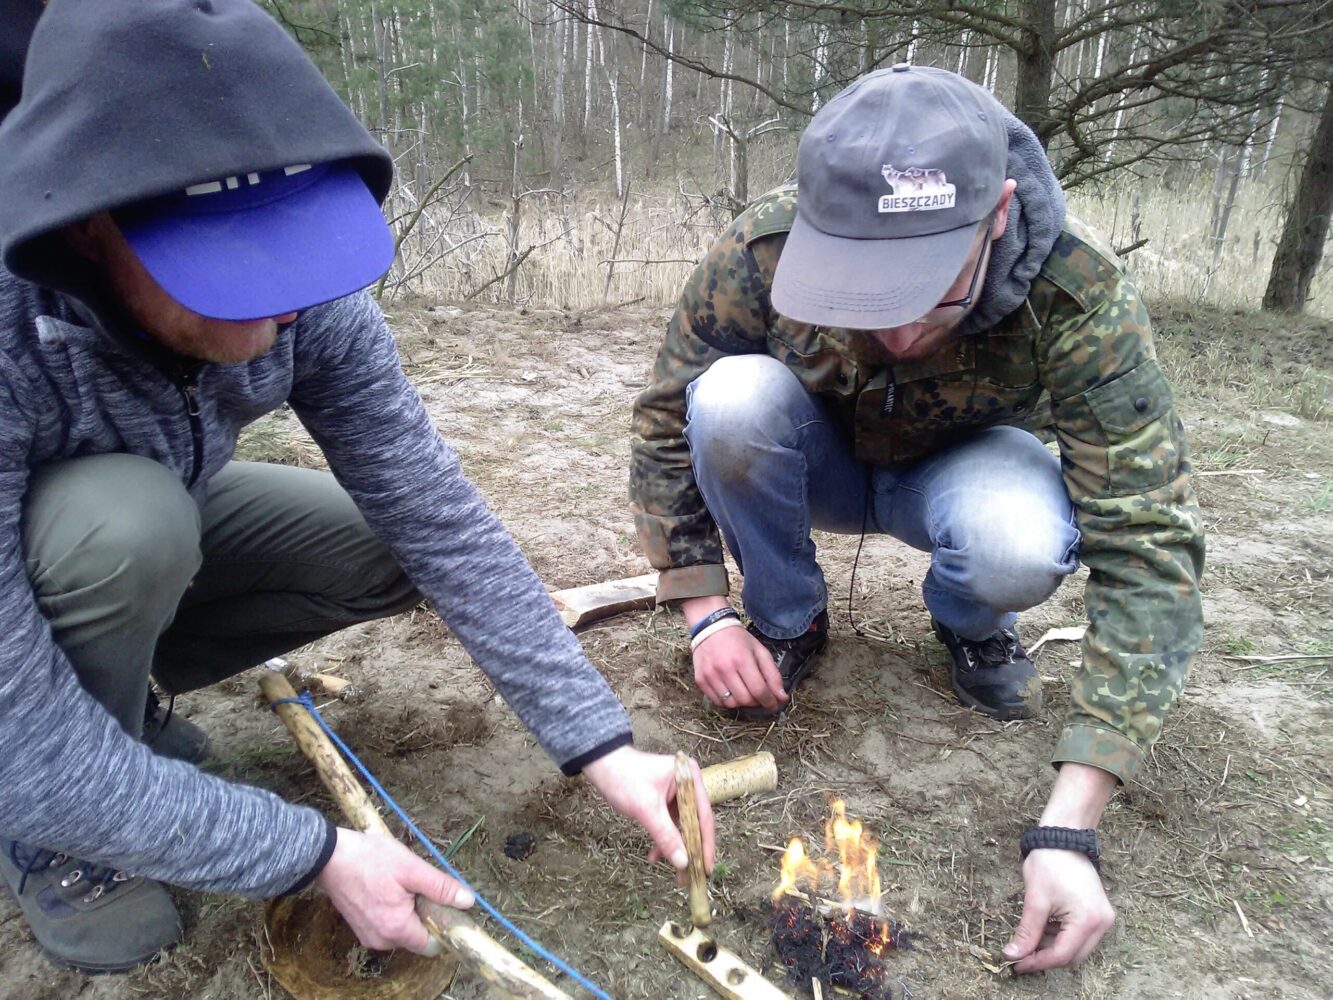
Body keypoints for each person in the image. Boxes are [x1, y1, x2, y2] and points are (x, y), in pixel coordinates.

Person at [0, 0, 713, 974]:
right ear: (88, 230)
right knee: (124, 527)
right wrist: (310, 851)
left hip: (166, 502)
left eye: (287, 248)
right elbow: (20, 746)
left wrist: (598, 740)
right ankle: (63, 824)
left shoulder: (309, 307)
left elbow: (437, 516)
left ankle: (125, 698)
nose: (286, 303)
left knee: (387, 543)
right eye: (229, 268)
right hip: (73, 547)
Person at [630, 64, 1204, 972]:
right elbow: (666, 418)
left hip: (958, 478)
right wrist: (705, 612)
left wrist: (1072, 826)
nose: (896, 332)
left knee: (1018, 540)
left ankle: (971, 625)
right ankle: (788, 620)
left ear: (999, 214)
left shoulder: (1075, 292)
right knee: (728, 402)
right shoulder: (762, 247)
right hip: (808, 454)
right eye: (858, 289)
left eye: (930, 289)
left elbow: (1149, 537)